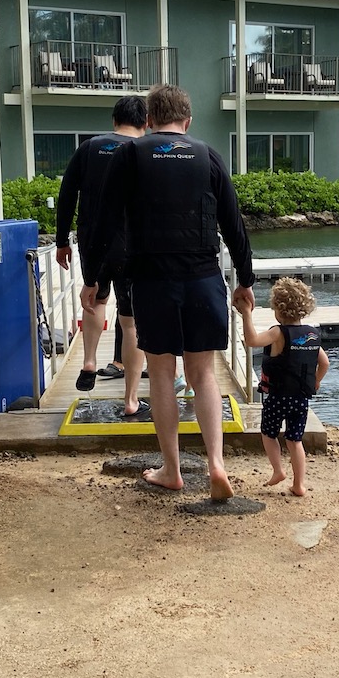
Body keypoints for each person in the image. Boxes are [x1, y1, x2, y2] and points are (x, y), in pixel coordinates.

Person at [85, 84, 256, 499]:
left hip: (152, 280)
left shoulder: (131, 154)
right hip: (203, 278)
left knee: (161, 374)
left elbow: (102, 222)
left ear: (148, 121)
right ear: (188, 121)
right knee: (204, 375)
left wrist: (93, 278)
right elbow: (234, 224)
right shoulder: (207, 154)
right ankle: (216, 463)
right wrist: (246, 281)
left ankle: (172, 470)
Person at [54, 96, 146, 415]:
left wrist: (61, 240)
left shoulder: (90, 148)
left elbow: (67, 195)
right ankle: (132, 397)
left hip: (93, 241)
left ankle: (90, 360)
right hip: (133, 244)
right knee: (131, 320)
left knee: (95, 298)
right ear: (145, 122)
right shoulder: (145, 151)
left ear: (114, 120)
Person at [236, 277, 329, 496]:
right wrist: (316, 381)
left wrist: (247, 313)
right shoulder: (311, 335)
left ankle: (278, 471)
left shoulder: (278, 333)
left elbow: (252, 340)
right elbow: (324, 363)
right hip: (301, 399)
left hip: (278, 397)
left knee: (269, 434)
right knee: (295, 440)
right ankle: (299, 485)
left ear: (277, 309)